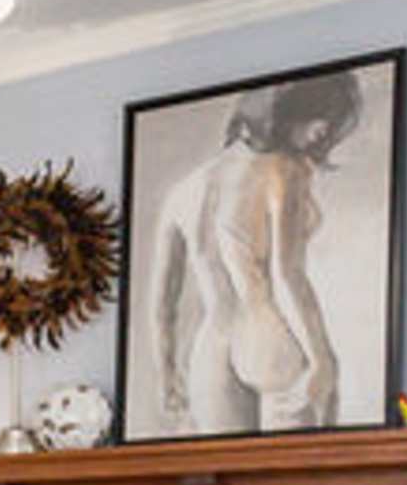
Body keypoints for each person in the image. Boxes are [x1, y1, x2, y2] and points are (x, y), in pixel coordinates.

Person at [148, 68, 365, 435]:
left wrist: (165, 371)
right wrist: (321, 358)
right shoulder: (283, 171)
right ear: (288, 110)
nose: (323, 132)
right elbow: (287, 275)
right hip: (270, 339)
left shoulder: (183, 190)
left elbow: (161, 303)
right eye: (321, 116)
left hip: (210, 351)